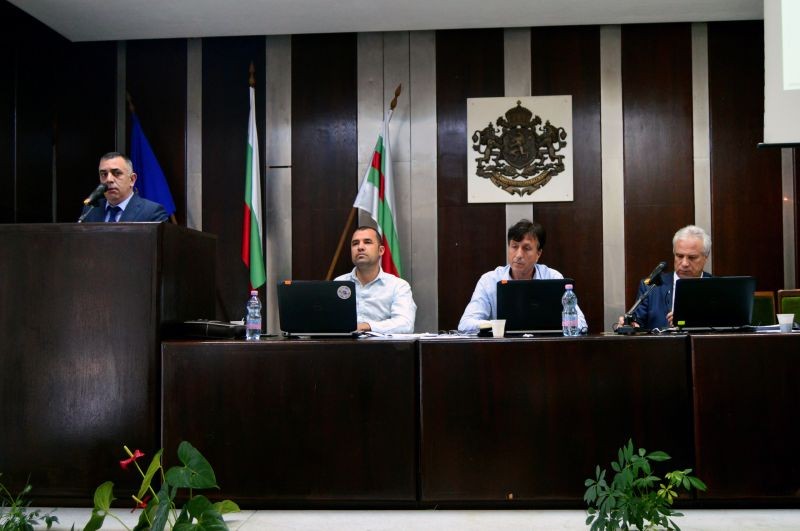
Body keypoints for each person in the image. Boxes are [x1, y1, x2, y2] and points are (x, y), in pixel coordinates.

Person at [458, 219, 587, 334]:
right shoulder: (489, 280)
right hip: (502, 349)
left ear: (538, 254)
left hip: (544, 348)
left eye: (526, 248)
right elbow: (465, 324)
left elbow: (580, 323)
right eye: (514, 247)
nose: (519, 255)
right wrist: (496, 325)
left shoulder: (553, 277)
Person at [618, 224, 712, 330]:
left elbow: (723, 327)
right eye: (679, 256)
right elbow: (638, 322)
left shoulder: (717, 288)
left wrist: (692, 320)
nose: (684, 263)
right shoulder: (651, 286)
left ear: (706, 257)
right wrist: (631, 326)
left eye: (692, 257)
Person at [335, 226, 417, 334]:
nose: (360, 247)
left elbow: (405, 324)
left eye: (367, 242)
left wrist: (367, 326)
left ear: (381, 250)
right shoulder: (338, 283)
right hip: (344, 344)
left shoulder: (398, 286)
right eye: (355, 243)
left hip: (382, 344)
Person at [79, 152, 169, 222]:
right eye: (104, 174)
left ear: (132, 179)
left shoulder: (152, 212)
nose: (109, 179)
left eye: (117, 173)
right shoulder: (90, 210)